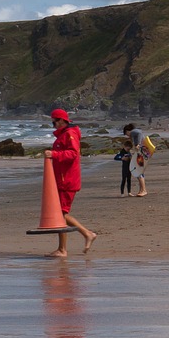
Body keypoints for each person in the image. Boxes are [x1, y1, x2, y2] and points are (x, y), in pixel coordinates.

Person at [49, 109, 97, 257]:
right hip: (62, 180)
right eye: (53, 122)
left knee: (60, 214)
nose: (54, 124)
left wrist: (53, 154)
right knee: (60, 213)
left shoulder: (70, 134)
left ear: (63, 120)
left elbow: (73, 153)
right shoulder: (65, 134)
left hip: (67, 180)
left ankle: (65, 248)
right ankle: (85, 234)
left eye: (55, 121)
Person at [122, 122, 150, 197]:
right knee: (139, 172)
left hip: (141, 154)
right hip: (142, 154)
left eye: (126, 133)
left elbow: (139, 133)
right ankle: (141, 190)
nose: (127, 136)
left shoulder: (134, 132)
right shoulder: (134, 134)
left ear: (128, 131)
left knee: (139, 171)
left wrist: (137, 144)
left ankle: (144, 190)